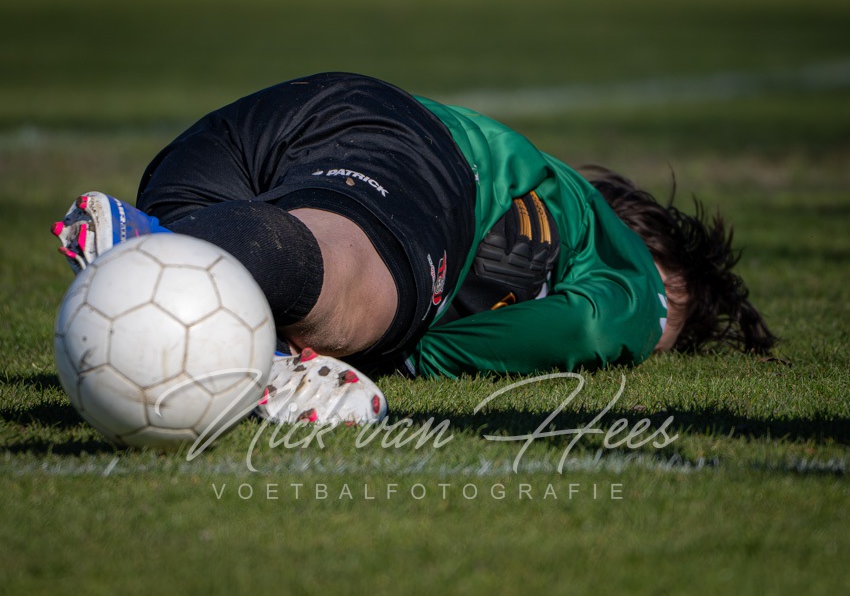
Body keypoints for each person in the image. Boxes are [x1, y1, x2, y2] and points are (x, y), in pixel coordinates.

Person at [52, 72, 776, 419]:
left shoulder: (555, 198)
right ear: (668, 271)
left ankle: (185, 259)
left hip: (237, 142)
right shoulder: (640, 280)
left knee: (214, 311)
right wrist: (402, 356)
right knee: (355, 293)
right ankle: (155, 244)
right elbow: (589, 327)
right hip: (400, 146)